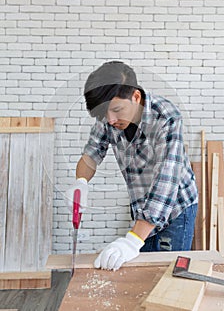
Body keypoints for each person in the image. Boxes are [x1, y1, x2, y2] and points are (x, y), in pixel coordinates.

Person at [65, 61, 198, 271]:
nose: (110, 120)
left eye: (117, 110)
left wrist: (133, 240)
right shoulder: (109, 117)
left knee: (167, 275)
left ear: (136, 97)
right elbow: (91, 154)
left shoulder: (166, 117)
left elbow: (166, 182)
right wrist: (81, 182)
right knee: (143, 274)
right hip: (142, 206)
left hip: (175, 207)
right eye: (105, 113)